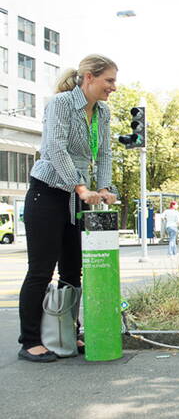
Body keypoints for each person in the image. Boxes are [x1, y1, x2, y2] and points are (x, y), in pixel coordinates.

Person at [18, 54, 118, 362]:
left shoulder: (102, 112)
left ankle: (67, 333)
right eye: (108, 80)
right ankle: (30, 341)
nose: (113, 87)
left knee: (73, 270)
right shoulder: (61, 104)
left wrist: (103, 188)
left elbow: (103, 155)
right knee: (41, 270)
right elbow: (54, 149)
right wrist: (81, 186)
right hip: (47, 193)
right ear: (88, 78)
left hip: (77, 196)